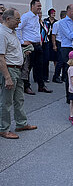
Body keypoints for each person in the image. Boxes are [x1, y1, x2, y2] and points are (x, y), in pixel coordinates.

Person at [0, 9, 37, 139]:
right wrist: (7, 77)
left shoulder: (12, 32)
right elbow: (1, 58)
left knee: (19, 99)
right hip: (10, 70)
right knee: (6, 101)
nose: (19, 22)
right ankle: (4, 129)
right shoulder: (2, 34)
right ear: (8, 19)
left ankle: (21, 123)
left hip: (17, 69)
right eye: (17, 19)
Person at [16, 0, 52, 94]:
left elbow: (36, 30)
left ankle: (41, 86)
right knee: (27, 67)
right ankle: (26, 86)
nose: (40, 8)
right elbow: (17, 28)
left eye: (40, 6)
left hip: (38, 45)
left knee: (40, 66)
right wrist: (22, 41)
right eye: (38, 6)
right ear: (32, 6)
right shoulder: (26, 16)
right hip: (29, 46)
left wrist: (39, 40)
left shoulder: (36, 17)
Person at [59, 4, 73, 103]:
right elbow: (70, 35)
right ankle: (70, 96)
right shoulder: (62, 22)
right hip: (67, 48)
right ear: (68, 11)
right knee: (70, 73)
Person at [52, 10, 67, 83]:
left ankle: (64, 76)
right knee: (60, 61)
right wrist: (54, 45)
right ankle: (56, 76)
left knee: (65, 61)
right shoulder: (57, 24)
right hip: (59, 42)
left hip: (65, 43)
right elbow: (53, 35)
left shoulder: (67, 24)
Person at [44, 8, 58, 73]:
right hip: (47, 40)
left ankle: (57, 71)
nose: (53, 14)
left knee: (55, 57)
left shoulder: (56, 22)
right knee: (46, 58)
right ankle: (46, 73)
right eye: (52, 13)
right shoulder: (45, 21)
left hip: (54, 40)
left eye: (54, 13)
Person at [38, 11, 50, 82]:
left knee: (46, 60)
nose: (40, 15)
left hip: (45, 42)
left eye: (41, 13)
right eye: (38, 13)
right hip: (39, 43)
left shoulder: (45, 23)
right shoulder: (35, 23)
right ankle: (38, 77)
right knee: (39, 61)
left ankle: (45, 76)